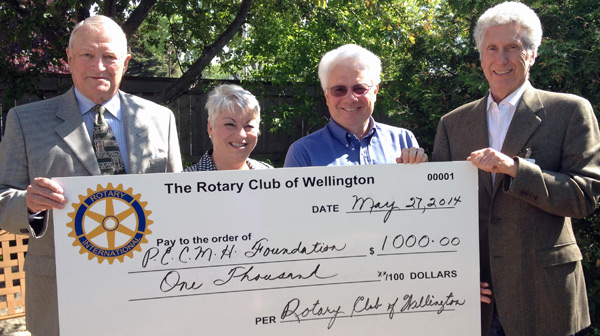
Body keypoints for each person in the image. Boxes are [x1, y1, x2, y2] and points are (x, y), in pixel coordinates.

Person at [0, 15, 182, 336]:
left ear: (125, 63)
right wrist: (29, 205)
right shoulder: (26, 121)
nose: (99, 65)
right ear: (69, 60)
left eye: (110, 57)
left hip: (145, 286)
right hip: (60, 291)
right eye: (87, 55)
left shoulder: (160, 120)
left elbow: (177, 201)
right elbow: (3, 198)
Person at [432, 2, 600, 335]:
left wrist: (516, 169)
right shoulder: (453, 124)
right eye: (492, 48)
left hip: (544, 295)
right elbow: (440, 214)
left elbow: (585, 196)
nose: (502, 59)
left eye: (513, 47)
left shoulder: (569, 111)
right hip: (477, 299)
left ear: (533, 54)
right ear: (480, 56)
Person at [284, 44, 427, 167]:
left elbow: (421, 194)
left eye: (360, 88)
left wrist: (423, 172)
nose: (350, 98)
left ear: (375, 91)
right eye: (339, 90)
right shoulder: (303, 153)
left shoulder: (403, 140)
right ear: (327, 96)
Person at [185, 84, 272, 171]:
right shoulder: (186, 182)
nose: (241, 134)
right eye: (230, 124)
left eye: (248, 126)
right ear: (210, 128)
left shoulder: (270, 176)